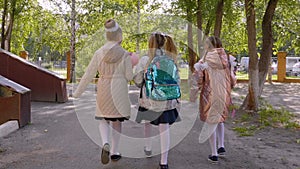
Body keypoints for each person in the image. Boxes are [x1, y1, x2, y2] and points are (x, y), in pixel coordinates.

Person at [73, 19, 136, 165]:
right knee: (116, 121)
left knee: (103, 119)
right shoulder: (125, 54)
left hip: (104, 88)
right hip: (119, 89)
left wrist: (77, 92)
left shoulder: (98, 53)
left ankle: (105, 142)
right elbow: (129, 77)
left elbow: (89, 74)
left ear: (107, 36)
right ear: (119, 36)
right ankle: (114, 151)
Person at [133, 32, 181, 169]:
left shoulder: (145, 60)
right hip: (166, 100)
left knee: (147, 123)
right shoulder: (170, 58)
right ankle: (164, 162)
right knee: (164, 128)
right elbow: (176, 79)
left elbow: (137, 81)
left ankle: (148, 147)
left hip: (149, 98)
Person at [190, 36, 232, 163]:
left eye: (206, 44)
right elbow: (233, 78)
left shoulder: (205, 60)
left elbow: (198, 79)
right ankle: (221, 146)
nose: (204, 46)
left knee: (210, 122)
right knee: (219, 120)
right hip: (224, 94)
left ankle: (214, 153)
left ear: (210, 46)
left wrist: (193, 93)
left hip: (210, 94)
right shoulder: (227, 58)